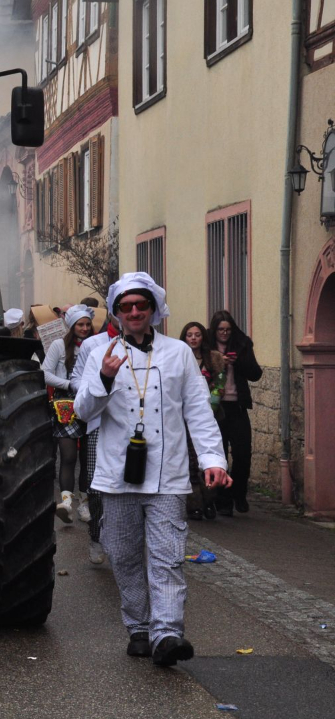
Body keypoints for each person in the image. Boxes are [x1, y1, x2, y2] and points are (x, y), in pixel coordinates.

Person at [75, 272, 230, 667]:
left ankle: (167, 633)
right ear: (117, 312)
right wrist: (105, 378)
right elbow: (83, 411)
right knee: (124, 555)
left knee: (168, 556)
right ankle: (139, 628)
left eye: (140, 305)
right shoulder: (100, 353)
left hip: (168, 474)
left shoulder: (178, 353)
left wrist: (213, 459)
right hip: (117, 474)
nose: (134, 312)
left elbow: (198, 410)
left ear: (153, 308)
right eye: (126, 306)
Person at [70, 312, 121, 564]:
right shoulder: (93, 345)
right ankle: (96, 538)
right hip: (98, 423)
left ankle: (124, 541)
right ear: (112, 312)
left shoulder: (152, 347)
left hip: (130, 428)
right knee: (96, 485)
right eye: (123, 307)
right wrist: (94, 389)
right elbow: (77, 379)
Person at [42, 304, 94, 524]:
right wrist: (69, 384)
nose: (85, 328)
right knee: (69, 456)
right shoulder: (58, 345)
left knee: (88, 458)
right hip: (65, 405)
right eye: (80, 324)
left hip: (91, 403)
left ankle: (85, 503)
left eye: (88, 324)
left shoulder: (96, 345)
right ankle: (66, 502)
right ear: (72, 326)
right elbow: (45, 373)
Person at [209, 310, 262, 516]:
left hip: (237, 406)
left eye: (228, 330)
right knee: (219, 455)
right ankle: (223, 501)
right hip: (216, 408)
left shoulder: (242, 344)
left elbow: (255, 374)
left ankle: (239, 494)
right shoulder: (208, 346)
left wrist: (237, 361)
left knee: (242, 454)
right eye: (221, 330)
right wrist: (217, 362)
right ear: (214, 330)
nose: (224, 333)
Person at [180, 321, 226, 521]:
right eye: (189, 335)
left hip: (210, 413)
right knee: (190, 461)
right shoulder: (179, 357)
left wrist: (210, 405)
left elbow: (220, 383)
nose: (193, 338)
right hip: (184, 416)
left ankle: (209, 500)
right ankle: (194, 504)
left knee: (206, 459)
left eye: (197, 334)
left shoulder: (214, 358)